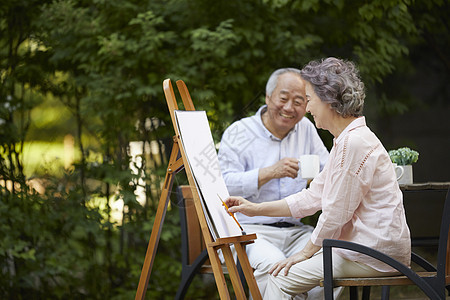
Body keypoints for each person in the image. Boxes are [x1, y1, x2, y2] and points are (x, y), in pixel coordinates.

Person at [224, 57, 411, 299]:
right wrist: (255, 208)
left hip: (371, 252)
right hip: (363, 248)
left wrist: (305, 252)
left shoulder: (352, 143)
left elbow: (335, 212)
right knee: (283, 275)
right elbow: (313, 197)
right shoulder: (345, 140)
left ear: (328, 100)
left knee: (280, 279)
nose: (307, 109)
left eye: (308, 99)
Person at [217, 68, 329, 297]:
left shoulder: (306, 129)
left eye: (299, 101)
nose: (290, 108)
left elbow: (328, 171)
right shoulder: (239, 132)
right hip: (248, 232)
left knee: (329, 263)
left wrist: (315, 178)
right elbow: (222, 185)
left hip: (296, 231)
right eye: (283, 98)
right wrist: (268, 173)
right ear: (268, 98)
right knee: (277, 266)